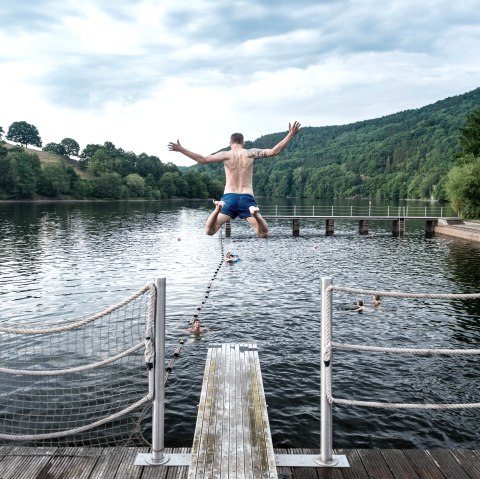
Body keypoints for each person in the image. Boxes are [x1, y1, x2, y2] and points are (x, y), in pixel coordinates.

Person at [168, 121, 301, 237]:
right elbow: (274, 151)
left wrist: (181, 149)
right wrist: (290, 135)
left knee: (209, 231)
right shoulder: (250, 153)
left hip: (229, 198)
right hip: (246, 198)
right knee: (263, 233)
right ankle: (256, 214)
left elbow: (203, 160)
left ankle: (217, 209)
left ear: (230, 143)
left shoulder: (226, 154)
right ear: (243, 142)